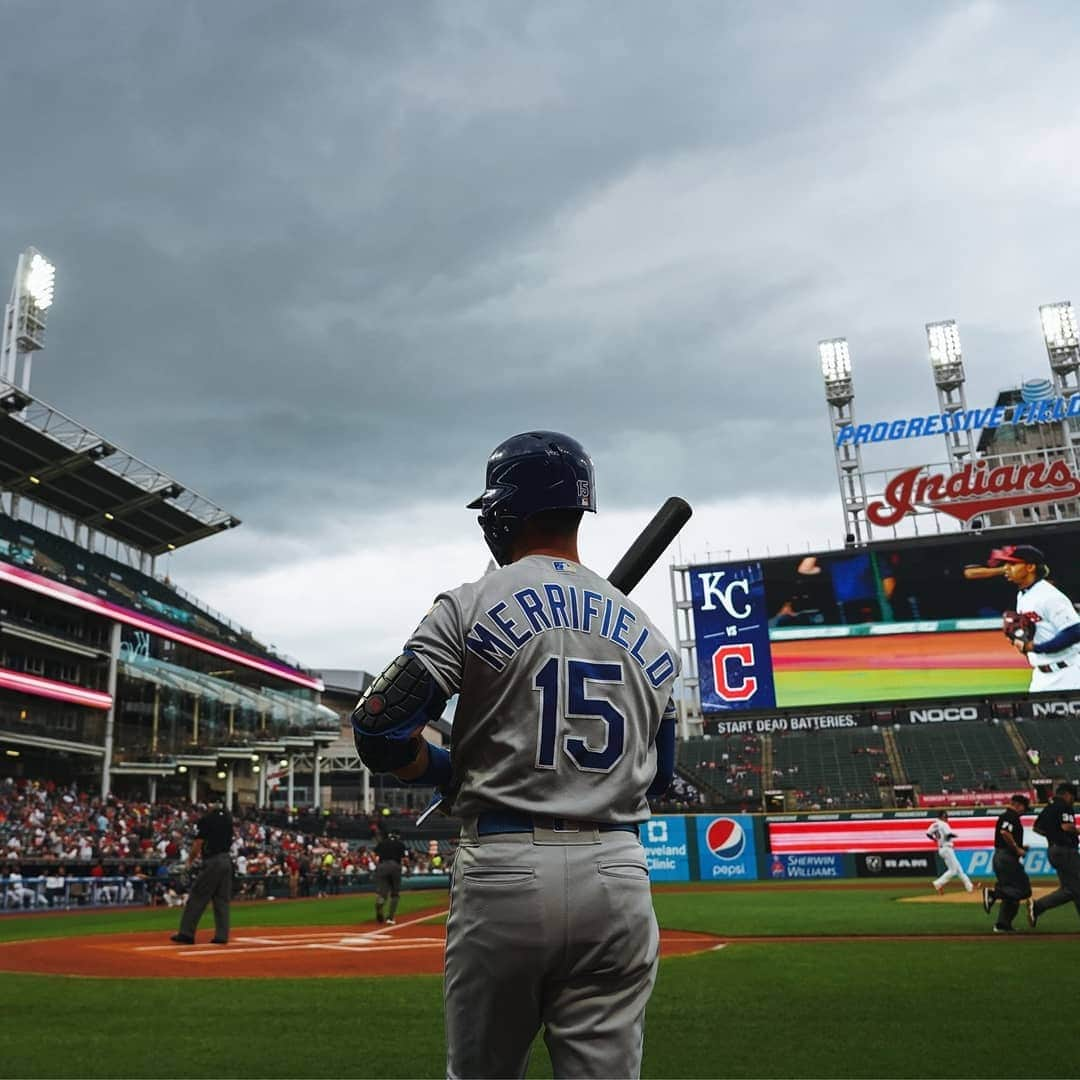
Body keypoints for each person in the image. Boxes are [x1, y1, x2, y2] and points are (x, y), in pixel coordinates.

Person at [350, 431, 679, 1079]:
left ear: (503, 513)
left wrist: (447, 772)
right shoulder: (650, 632)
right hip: (617, 875)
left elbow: (377, 729)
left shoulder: (470, 604)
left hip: (505, 871)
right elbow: (659, 778)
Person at [990, 545, 1080, 692]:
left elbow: (1074, 631)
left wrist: (1034, 647)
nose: (1006, 568)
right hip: (1041, 677)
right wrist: (1021, 641)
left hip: (1069, 674)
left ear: (1030, 567)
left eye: (1012, 564)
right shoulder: (1023, 595)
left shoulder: (1049, 596)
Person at [170, 802, 234, 945]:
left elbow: (198, 843)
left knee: (197, 896)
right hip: (226, 860)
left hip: (213, 861)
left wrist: (189, 861)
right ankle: (222, 935)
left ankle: (186, 933)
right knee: (222, 900)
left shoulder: (207, 820)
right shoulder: (228, 820)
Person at [1028, 782, 1080, 928]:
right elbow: (1066, 826)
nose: (1073, 800)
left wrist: (1053, 835)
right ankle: (1038, 906)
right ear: (1067, 794)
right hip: (1066, 850)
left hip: (1053, 850)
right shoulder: (1065, 806)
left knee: (1072, 888)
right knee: (1074, 889)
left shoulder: (1049, 808)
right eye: (1073, 796)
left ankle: (1038, 907)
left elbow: (1036, 828)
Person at [982, 795, 1032, 933]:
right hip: (1007, 858)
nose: (1024, 812)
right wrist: (1017, 849)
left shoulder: (1007, 816)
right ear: (1018, 805)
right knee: (1024, 889)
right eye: (1024, 809)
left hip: (1002, 857)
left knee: (1012, 894)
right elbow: (1005, 833)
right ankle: (993, 894)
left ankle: (1003, 924)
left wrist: (1021, 847)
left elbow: (1006, 835)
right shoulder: (1010, 816)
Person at [927, 810, 974, 894]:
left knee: (958, 869)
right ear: (942, 816)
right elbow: (948, 834)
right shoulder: (944, 824)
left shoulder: (934, 824)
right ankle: (938, 883)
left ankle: (969, 886)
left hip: (941, 848)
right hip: (947, 848)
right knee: (953, 871)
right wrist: (955, 835)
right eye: (946, 816)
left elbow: (928, 834)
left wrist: (935, 839)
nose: (947, 818)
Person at [372, 830, 407, 924]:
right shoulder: (400, 844)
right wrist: (407, 869)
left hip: (382, 866)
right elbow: (405, 858)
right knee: (395, 894)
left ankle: (380, 903)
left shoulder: (382, 843)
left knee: (382, 893)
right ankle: (390, 918)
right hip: (395, 866)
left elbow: (373, 854)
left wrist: (377, 865)